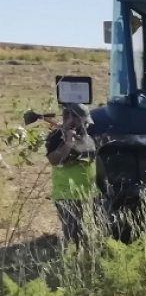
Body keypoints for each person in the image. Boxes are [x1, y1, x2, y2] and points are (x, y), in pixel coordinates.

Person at [45, 103, 97, 243]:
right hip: (67, 195)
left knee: (91, 233)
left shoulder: (87, 135)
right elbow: (54, 160)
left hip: (89, 193)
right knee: (74, 236)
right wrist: (68, 143)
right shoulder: (56, 137)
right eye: (82, 121)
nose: (85, 125)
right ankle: (72, 259)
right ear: (70, 118)